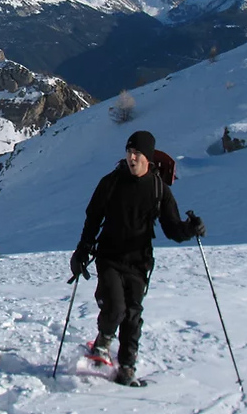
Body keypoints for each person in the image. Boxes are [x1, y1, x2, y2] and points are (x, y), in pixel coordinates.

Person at [70, 131, 206, 386]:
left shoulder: (158, 189)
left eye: (137, 153)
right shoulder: (111, 182)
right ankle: (103, 340)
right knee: (116, 307)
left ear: (148, 157)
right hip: (109, 255)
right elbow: (93, 218)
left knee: (133, 315)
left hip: (139, 261)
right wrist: (82, 250)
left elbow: (173, 229)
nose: (131, 158)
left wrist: (191, 229)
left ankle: (127, 367)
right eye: (128, 152)